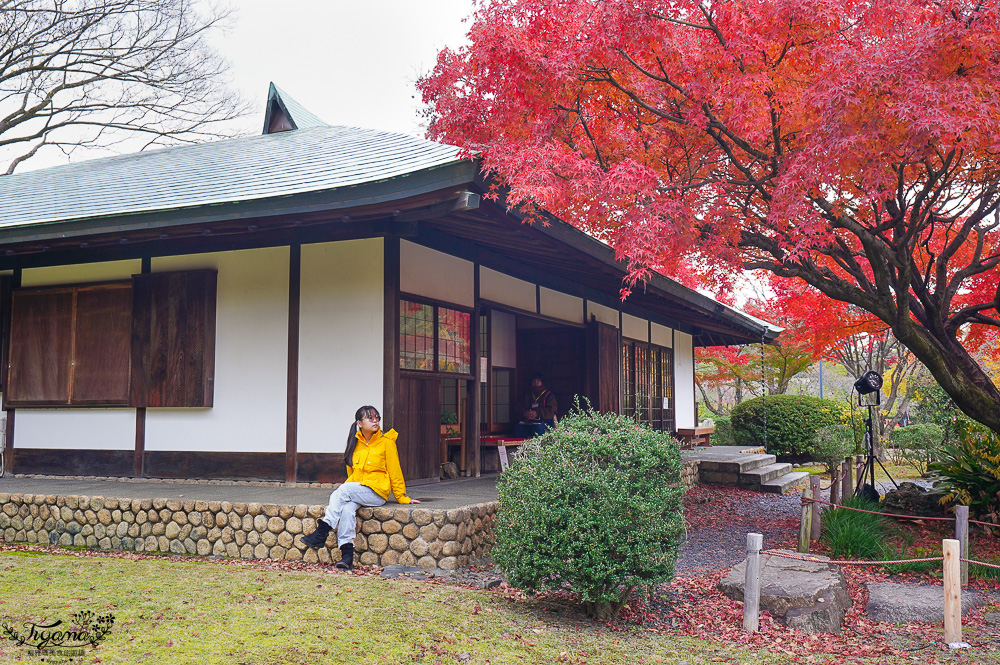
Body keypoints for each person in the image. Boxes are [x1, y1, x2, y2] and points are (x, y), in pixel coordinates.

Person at [301, 405, 419, 569]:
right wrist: (349, 491)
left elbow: (395, 471)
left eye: (377, 417)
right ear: (359, 423)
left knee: (342, 490)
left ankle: (322, 531)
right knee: (347, 509)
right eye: (370, 418)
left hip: (377, 492)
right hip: (359, 491)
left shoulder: (387, 443)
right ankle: (346, 555)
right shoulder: (355, 443)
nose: (375, 421)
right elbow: (352, 473)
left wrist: (402, 497)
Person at [513, 373, 558, 438]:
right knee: (518, 429)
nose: (536, 382)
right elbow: (519, 407)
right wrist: (525, 413)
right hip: (528, 421)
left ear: (542, 382)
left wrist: (537, 413)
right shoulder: (527, 394)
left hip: (543, 421)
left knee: (538, 429)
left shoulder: (548, 395)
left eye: (538, 381)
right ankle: (521, 447)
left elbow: (552, 410)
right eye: (534, 381)